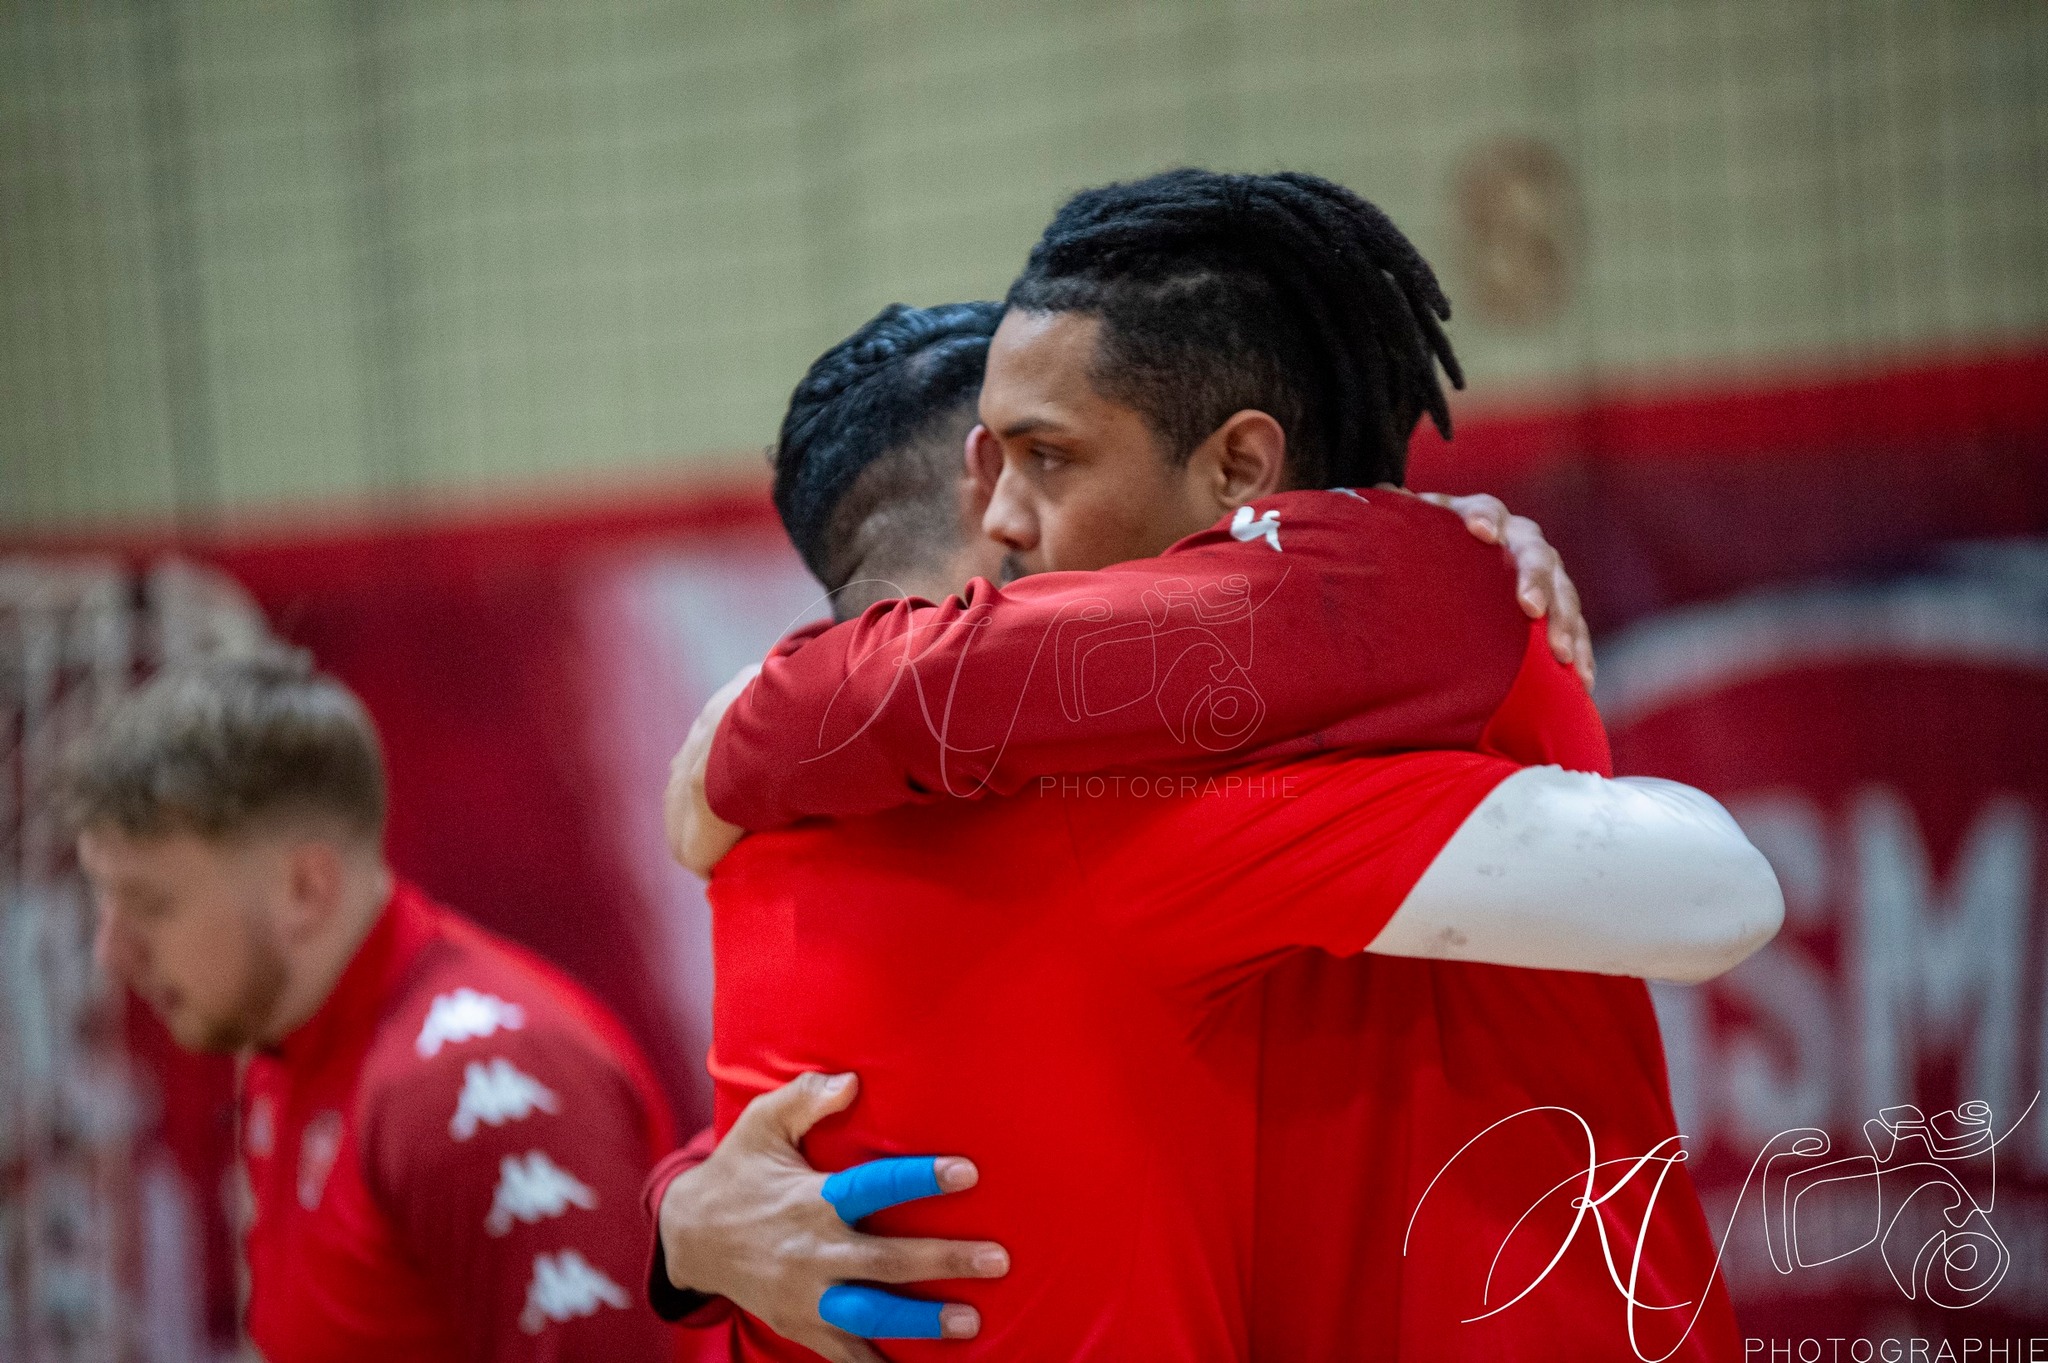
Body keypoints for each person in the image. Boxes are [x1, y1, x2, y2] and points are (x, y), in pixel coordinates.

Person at [673, 171, 1762, 1361]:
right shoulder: (1105, 768)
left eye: (1046, 457)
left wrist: (750, 722)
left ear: (1238, 468)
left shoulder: (1423, 603)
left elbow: (1719, 894)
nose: (1011, 528)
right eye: (996, 466)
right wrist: (684, 1215)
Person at [64, 652, 679, 1362]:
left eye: (150, 904)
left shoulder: (474, 1087)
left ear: (305, 888)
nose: (112, 953)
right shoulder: (285, 1041)